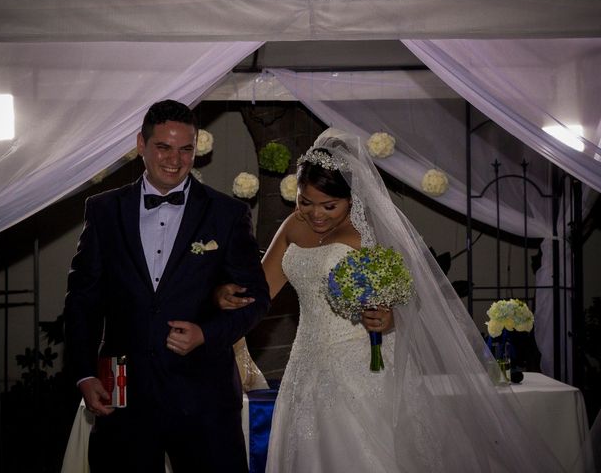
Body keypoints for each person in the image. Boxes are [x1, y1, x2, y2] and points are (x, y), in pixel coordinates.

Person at [216, 128, 571, 472]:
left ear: (352, 199)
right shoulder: (294, 226)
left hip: (361, 364)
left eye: (330, 205)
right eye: (305, 202)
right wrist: (225, 296)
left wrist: (389, 319)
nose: (316, 214)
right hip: (305, 364)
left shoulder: (366, 236)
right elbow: (258, 291)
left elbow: (405, 301)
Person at [63, 99, 270, 473]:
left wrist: (206, 333)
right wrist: (84, 372)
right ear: (141, 145)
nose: (175, 159)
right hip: (124, 394)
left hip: (204, 397)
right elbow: (83, 298)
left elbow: (255, 299)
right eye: (163, 147)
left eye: (185, 149)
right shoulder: (104, 210)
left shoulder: (226, 213)